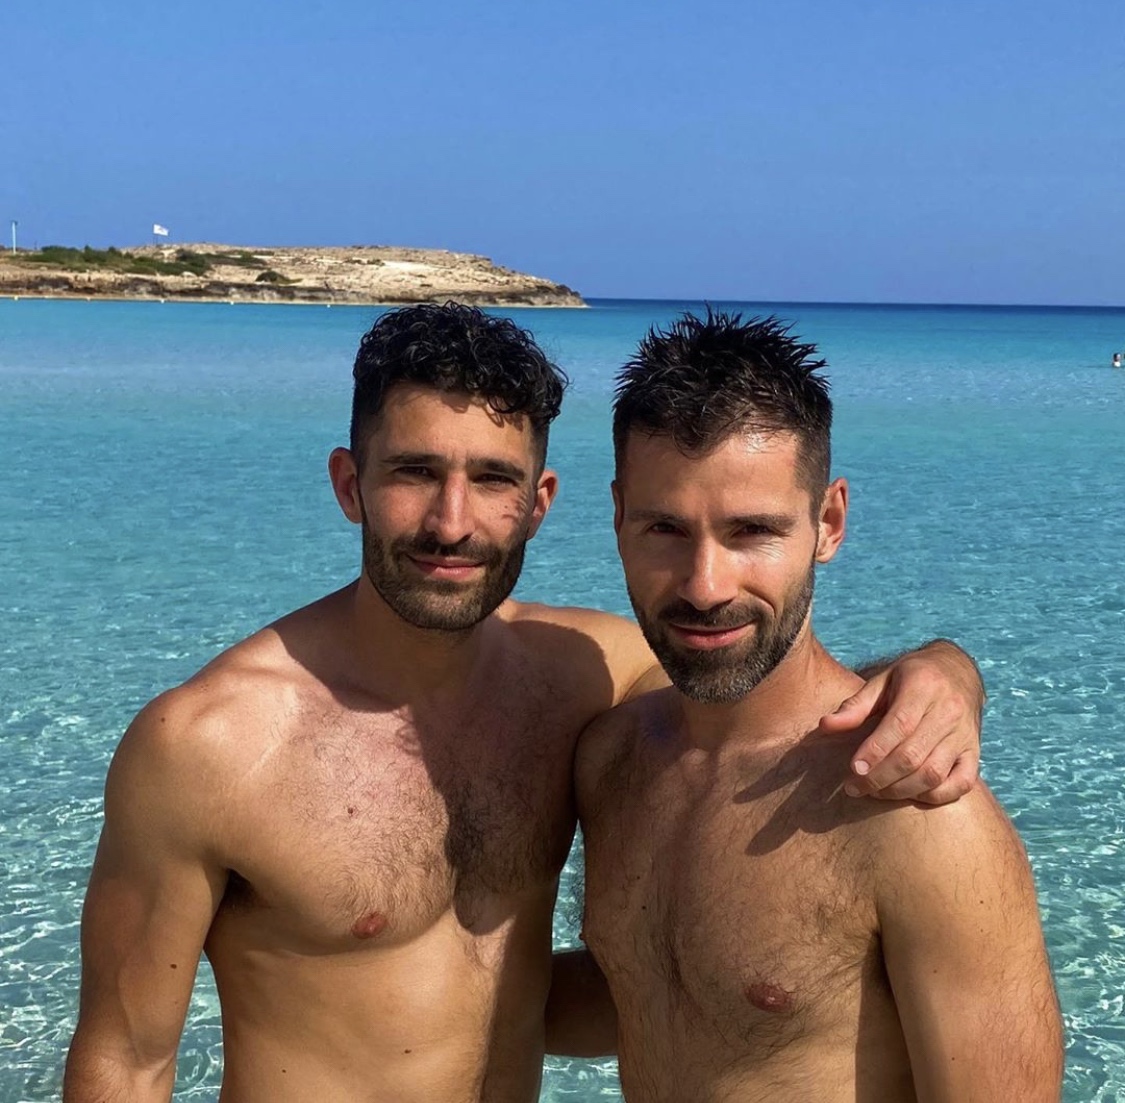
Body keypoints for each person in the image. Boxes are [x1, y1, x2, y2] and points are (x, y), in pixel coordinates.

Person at [65, 304, 986, 1103]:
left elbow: (757, 678)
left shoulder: (581, 676)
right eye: (413, 472)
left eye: (493, 480)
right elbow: (125, 1059)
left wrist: (944, 669)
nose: (452, 522)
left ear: (540, 502)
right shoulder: (209, 745)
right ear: (350, 484)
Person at [568, 311, 1064, 1100]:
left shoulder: (914, 811)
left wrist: (953, 666)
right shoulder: (610, 761)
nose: (705, 585)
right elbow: (648, 994)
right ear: (619, 516)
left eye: (751, 531)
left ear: (827, 523)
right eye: (665, 527)